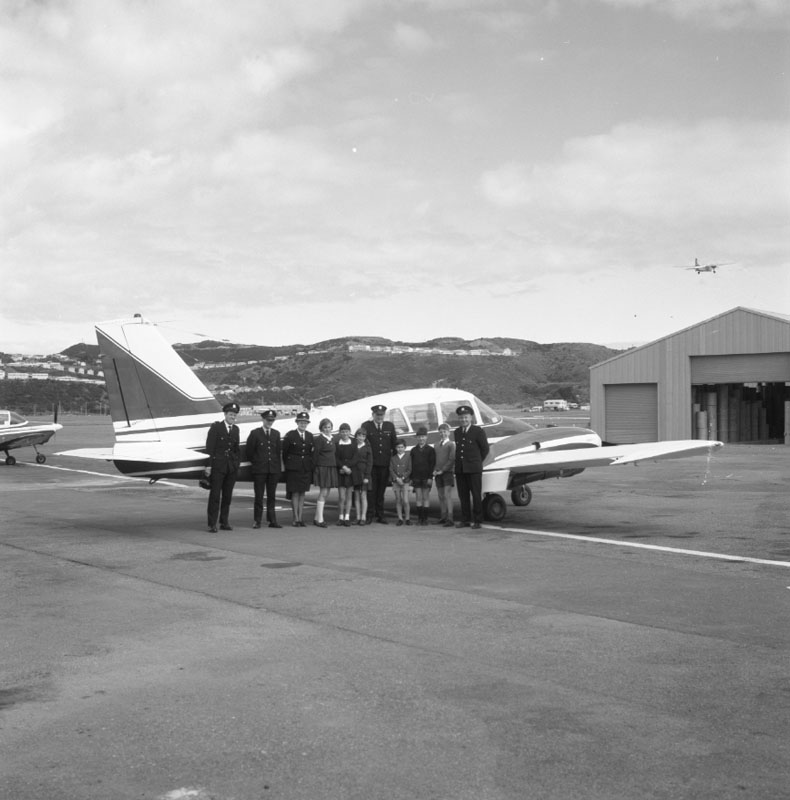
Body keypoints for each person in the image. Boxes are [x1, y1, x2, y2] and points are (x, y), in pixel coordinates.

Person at [204, 401, 241, 532]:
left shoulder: (236, 429)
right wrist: (208, 466)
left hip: (231, 468)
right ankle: (212, 523)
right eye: (230, 414)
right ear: (225, 414)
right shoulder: (216, 428)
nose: (232, 417)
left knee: (227, 496)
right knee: (215, 496)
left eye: (234, 415)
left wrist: (236, 464)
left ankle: (224, 522)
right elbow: (210, 448)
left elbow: (236, 449)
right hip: (218, 467)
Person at [453, 405, 489, 529]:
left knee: (476, 495)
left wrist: (477, 462)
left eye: (466, 417)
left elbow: (485, 449)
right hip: (460, 469)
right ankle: (465, 519)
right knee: (463, 496)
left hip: (474, 469)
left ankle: (478, 520)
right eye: (461, 417)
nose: (463, 420)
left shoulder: (478, 431)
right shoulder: (457, 432)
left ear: (471, 418)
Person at [246, 409, 282, 529]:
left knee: (272, 496)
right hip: (260, 470)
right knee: (259, 496)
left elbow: (277, 452)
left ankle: (272, 520)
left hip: (273, 470)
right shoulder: (255, 433)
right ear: (263, 420)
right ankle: (257, 520)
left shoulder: (276, 434)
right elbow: (249, 452)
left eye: (271, 420)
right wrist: (257, 462)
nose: (269, 422)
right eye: (268, 420)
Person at [362, 404, 397, 523]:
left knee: (381, 490)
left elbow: (394, 444)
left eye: (381, 415)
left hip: (385, 464)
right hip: (371, 465)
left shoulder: (389, 426)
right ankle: (370, 514)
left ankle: (380, 514)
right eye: (377, 415)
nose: (379, 417)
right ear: (373, 415)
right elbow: (364, 445)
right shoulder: (366, 426)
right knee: (371, 491)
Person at [281, 411, 314, 527]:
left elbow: (310, 452)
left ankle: (301, 518)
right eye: (301, 422)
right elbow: (285, 452)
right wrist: (286, 466)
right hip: (293, 468)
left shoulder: (310, 436)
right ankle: (295, 518)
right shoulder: (290, 435)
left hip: (305, 468)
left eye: (305, 422)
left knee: (302, 493)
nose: (303, 424)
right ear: (297, 422)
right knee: (295, 493)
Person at [313, 417, 337, 528]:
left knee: (326, 493)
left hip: (331, 467)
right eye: (325, 427)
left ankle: (316, 517)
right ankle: (320, 520)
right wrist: (316, 469)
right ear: (321, 428)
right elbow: (315, 455)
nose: (327, 429)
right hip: (322, 468)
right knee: (323, 492)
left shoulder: (332, 439)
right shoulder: (319, 440)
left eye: (329, 427)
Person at [410, 426, 436, 525]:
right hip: (416, 477)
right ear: (417, 438)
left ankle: (425, 519)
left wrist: (430, 477)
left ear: (426, 437)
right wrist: (411, 478)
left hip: (426, 477)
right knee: (418, 497)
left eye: (423, 436)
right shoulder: (413, 450)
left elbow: (432, 464)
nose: (421, 439)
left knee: (426, 497)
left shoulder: (430, 450)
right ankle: (419, 518)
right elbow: (411, 464)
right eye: (419, 437)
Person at [432, 422, 456, 527]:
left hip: (447, 473)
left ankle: (450, 518)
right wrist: (434, 470)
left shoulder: (451, 445)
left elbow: (451, 459)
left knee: (447, 495)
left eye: (445, 432)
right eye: (441, 432)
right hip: (438, 473)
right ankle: (443, 516)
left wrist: (444, 470)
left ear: (449, 433)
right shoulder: (436, 445)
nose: (443, 434)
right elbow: (435, 459)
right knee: (441, 495)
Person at [335, 423, 356, 526]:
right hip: (341, 472)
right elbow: (336, 458)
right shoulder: (337, 444)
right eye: (342, 432)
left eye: (346, 431)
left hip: (350, 472)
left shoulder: (353, 443)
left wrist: (348, 468)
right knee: (341, 497)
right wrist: (342, 467)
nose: (344, 434)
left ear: (349, 432)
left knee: (348, 496)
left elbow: (355, 458)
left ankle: (347, 517)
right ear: (340, 433)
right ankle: (340, 517)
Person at [351, 427, 372, 525]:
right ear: (356, 436)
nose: (361, 438)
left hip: (364, 473)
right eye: (359, 435)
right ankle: (357, 516)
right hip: (355, 473)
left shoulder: (368, 448)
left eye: (363, 436)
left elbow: (370, 463)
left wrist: (367, 476)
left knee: (363, 495)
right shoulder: (353, 446)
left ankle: (363, 517)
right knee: (356, 496)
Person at [389, 438, 412, 525]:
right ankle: (400, 518)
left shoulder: (408, 457)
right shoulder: (393, 458)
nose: (400, 449)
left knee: (405, 500)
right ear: (395, 448)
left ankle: (408, 518)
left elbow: (409, 469)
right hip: (396, 482)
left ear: (405, 448)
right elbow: (391, 469)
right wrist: (396, 478)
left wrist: (402, 478)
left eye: (402, 447)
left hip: (405, 481)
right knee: (398, 500)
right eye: (398, 447)